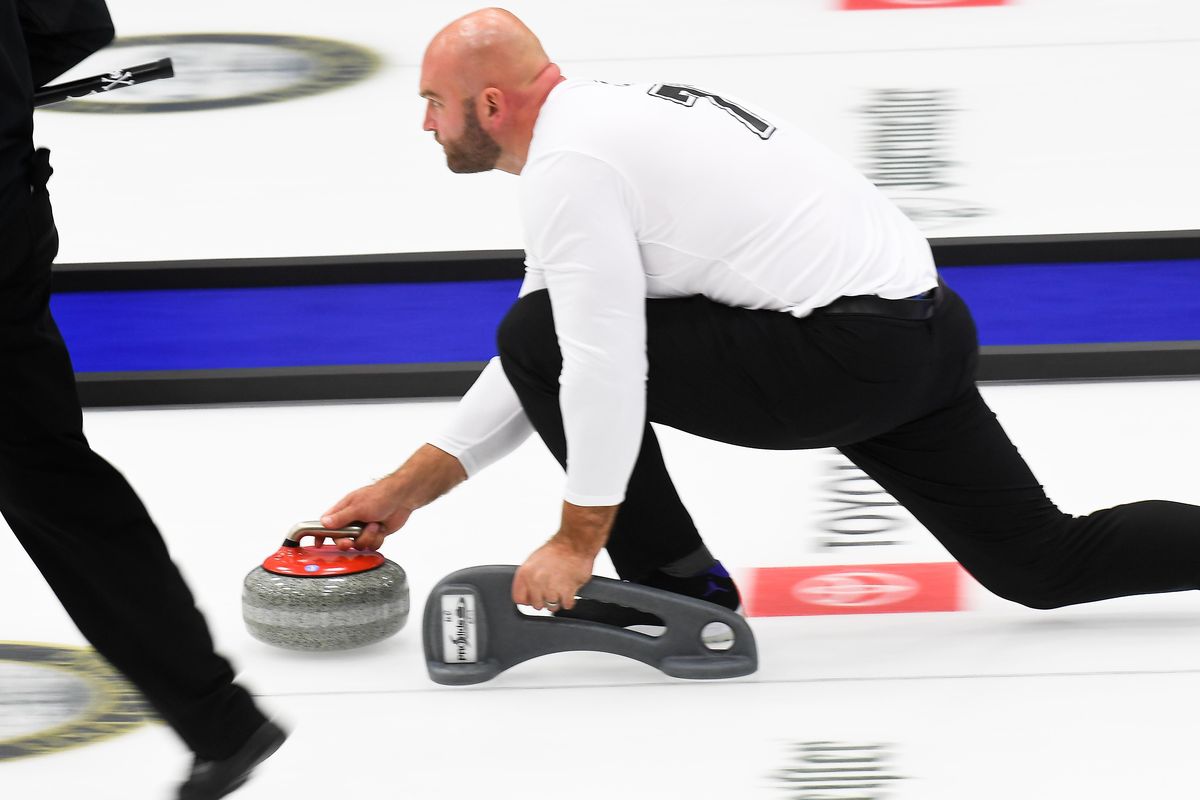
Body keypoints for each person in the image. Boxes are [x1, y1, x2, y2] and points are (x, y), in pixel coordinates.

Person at [323, 7, 1200, 626]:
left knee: (559, 342)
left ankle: (677, 585)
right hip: (922, 332)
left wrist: (575, 538)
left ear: (489, 105)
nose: (426, 125)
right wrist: (408, 489)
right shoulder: (601, 126)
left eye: (432, 102)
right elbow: (543, 342)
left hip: (846, 352)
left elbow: (586, 358)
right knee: (1041, 566)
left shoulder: (572, 164)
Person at [0, 2, 284, 797]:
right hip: (10, 215)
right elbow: (74, 23)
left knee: (44, 476)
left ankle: (218, 716)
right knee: (48, 478)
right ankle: (217, 715)